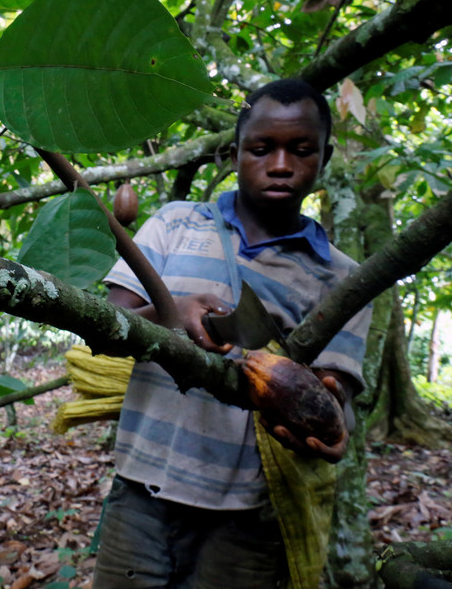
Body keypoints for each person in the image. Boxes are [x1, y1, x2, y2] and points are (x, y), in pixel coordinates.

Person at [91, 78, 372, 588]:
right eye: (262, 149)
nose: (282, 165)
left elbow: (335, 397)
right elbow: (110, 328)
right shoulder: (175, 224)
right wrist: (173, 310)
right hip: (141, 492)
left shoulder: (342, 279)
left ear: (324, 157)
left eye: (301, 150)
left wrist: (332, 429)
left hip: (248, 513)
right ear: (235, 152)